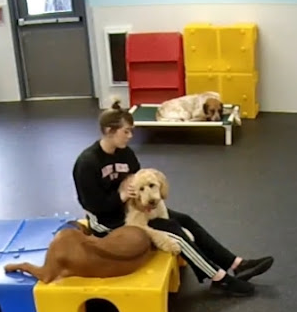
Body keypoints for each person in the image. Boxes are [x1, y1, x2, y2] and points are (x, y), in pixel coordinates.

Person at [72, 102, 274, 297]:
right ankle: (219, 278)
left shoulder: (125, 153)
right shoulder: (88, 163)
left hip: (133, 210)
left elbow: (139, 180)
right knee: (174, 232)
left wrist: (143, 201)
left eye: (131, 131)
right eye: (126, 132)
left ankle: (236, 264)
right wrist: (122, 196)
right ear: (109, 131)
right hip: (107, 221)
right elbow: (93, 206)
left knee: (185, 220)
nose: (130, 136)